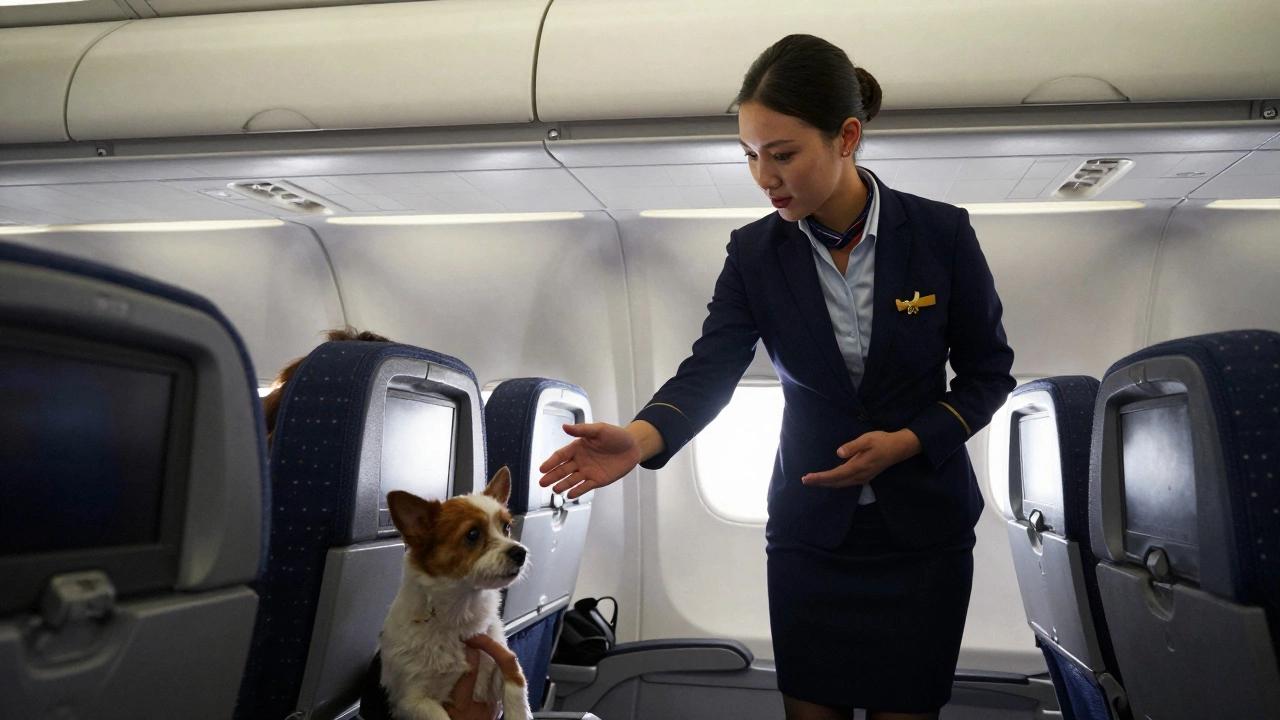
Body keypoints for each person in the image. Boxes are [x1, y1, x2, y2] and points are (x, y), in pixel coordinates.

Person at [537, 34, 1015, 720]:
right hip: (809, 534)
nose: (765, 177)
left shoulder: (939, 235)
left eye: (783, 154)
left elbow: (987, 373)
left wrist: (908, 440)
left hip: (924, 536)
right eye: (751, 156)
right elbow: (711, 367)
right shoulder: (755, 254)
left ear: (846, 137)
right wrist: (641, 439)